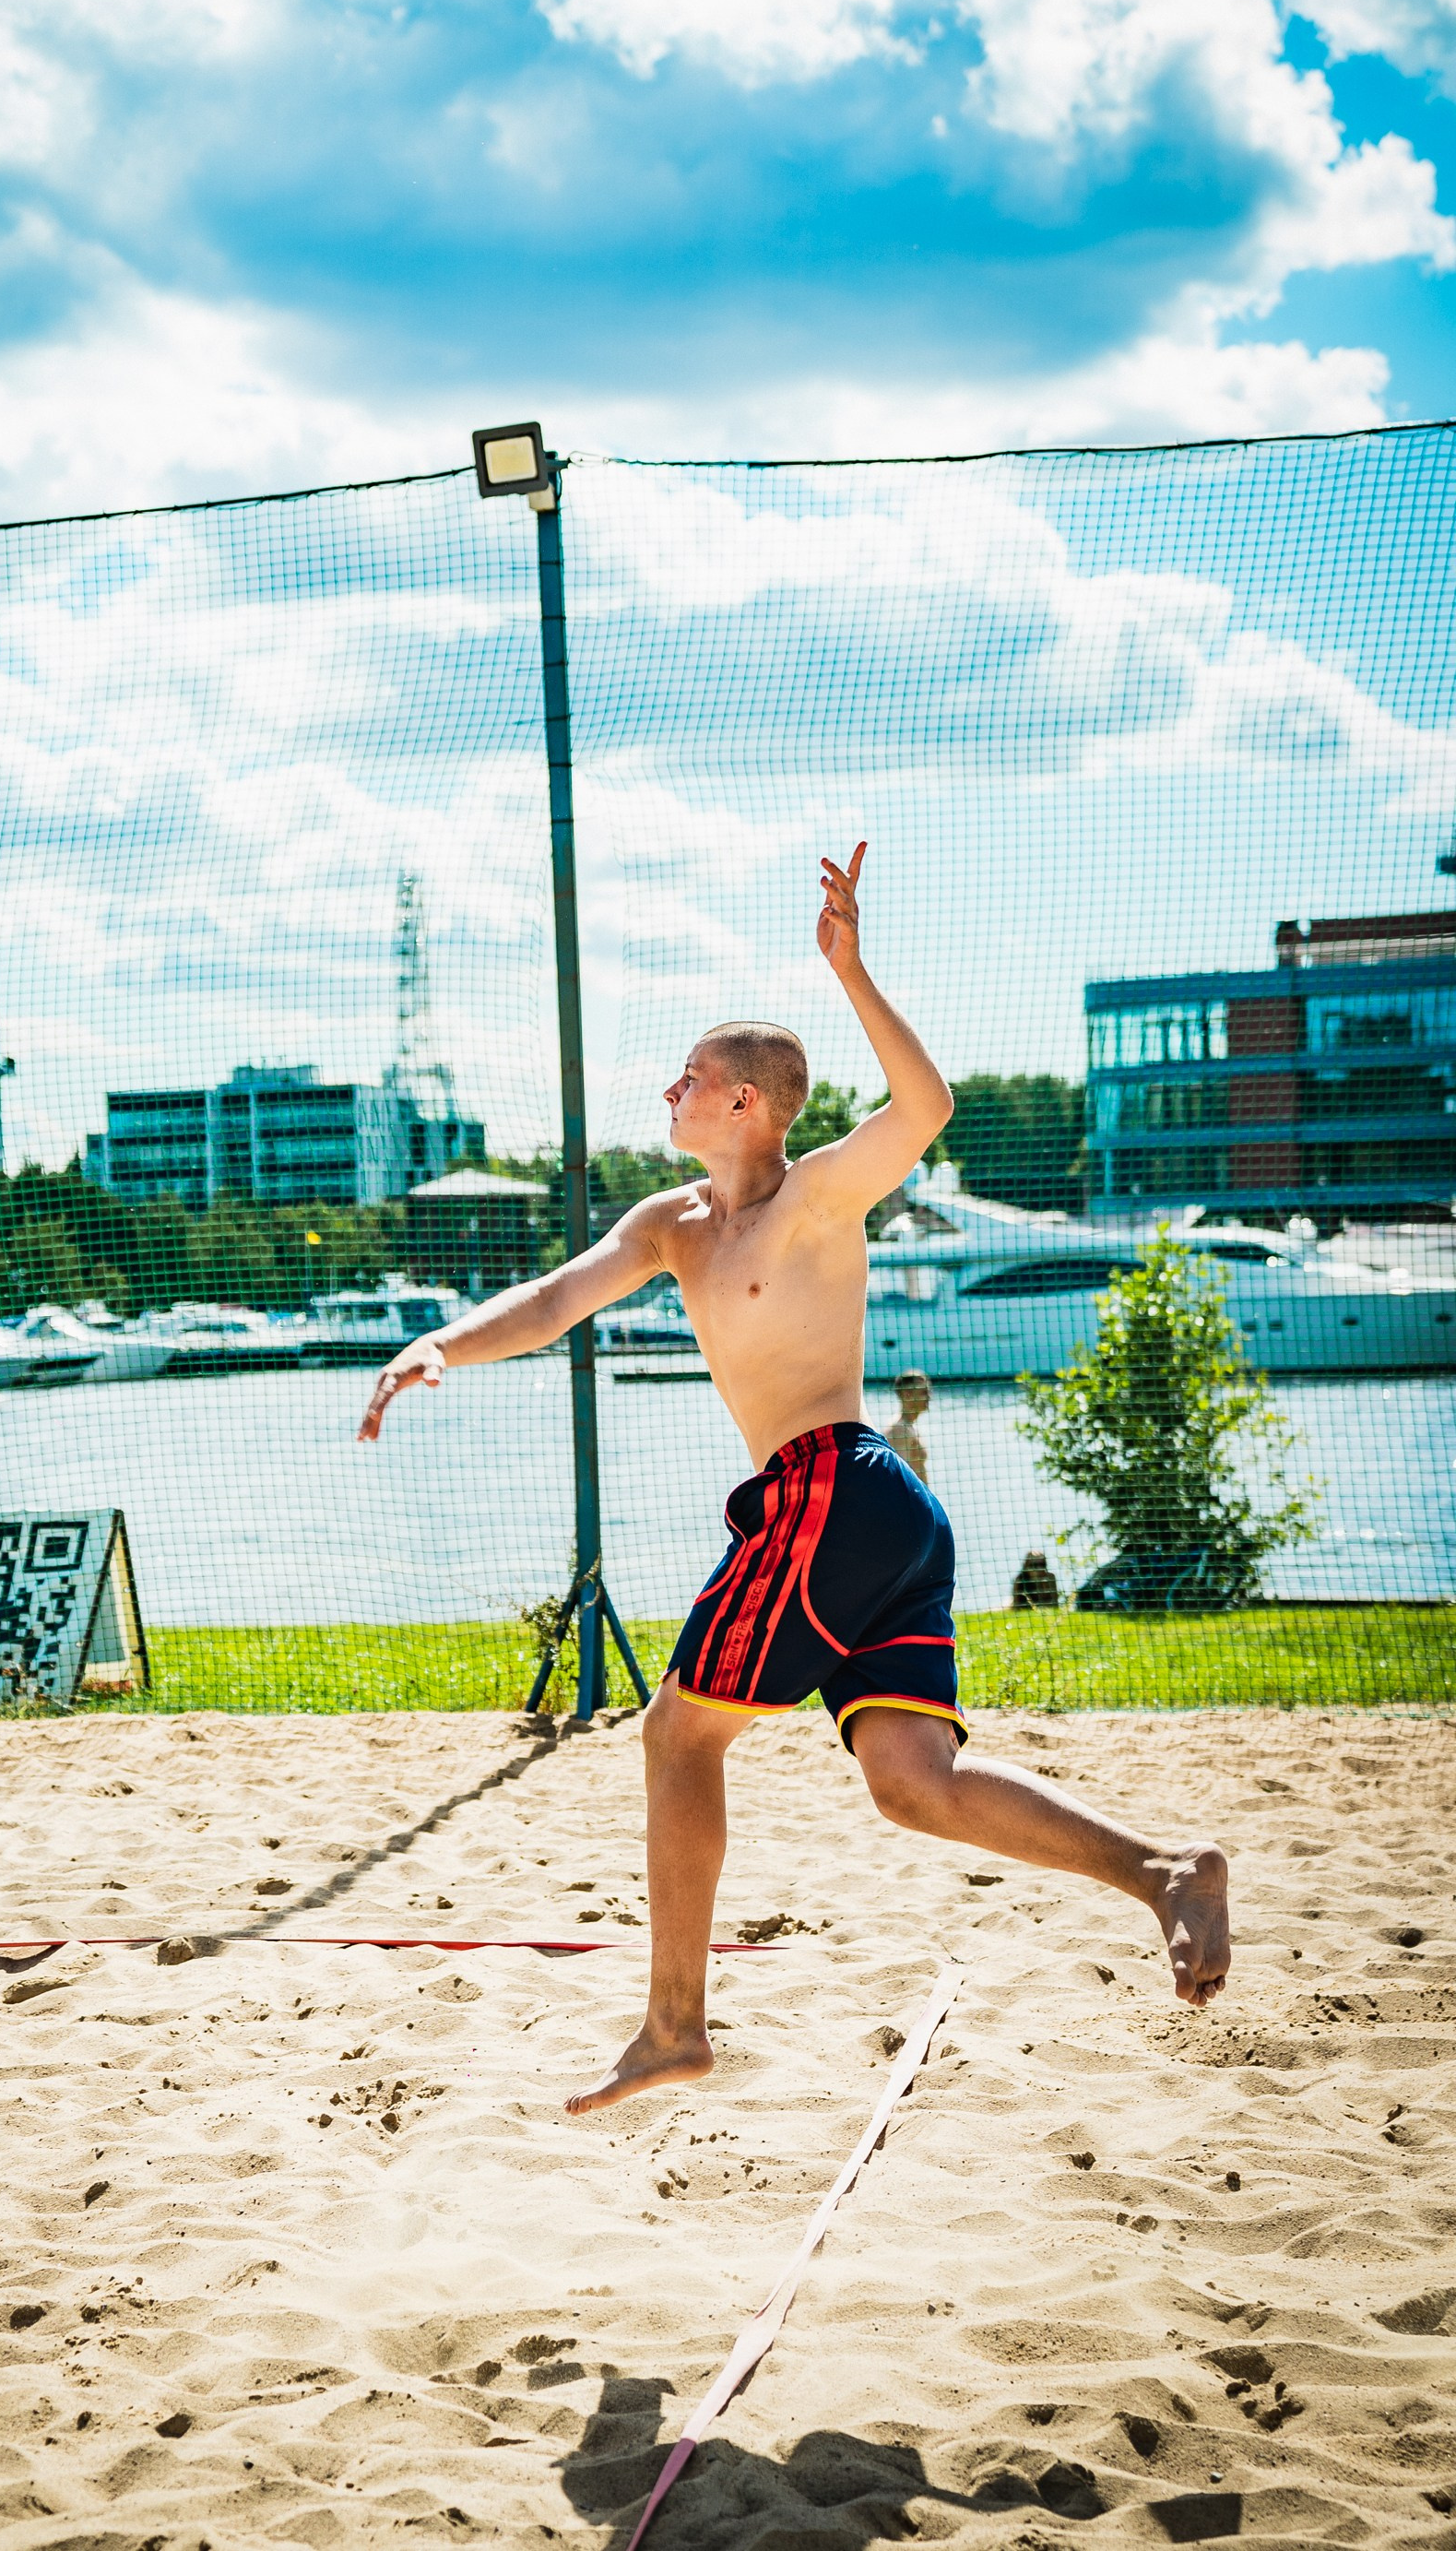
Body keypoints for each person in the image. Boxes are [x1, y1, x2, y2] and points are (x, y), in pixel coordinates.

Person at [359, 845, 1230, 2113]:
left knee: (676, 1733)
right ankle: (1164, 1873)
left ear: (754, 1105)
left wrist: (851, 969)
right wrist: (438, 1342)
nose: (670, 1087)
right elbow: (555, 1303)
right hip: (871, 1512)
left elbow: (924, 1109)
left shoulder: (818, 1200)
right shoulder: (669, 1226)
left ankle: (671, 2025)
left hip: (834, 1488)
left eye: (694, 1077)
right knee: (912, 1788)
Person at [882, 1369, 931, 1482]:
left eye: (929, 1391)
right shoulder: (898, 1430)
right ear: (907, 1394)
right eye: (924, 1392)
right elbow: (895, 1476)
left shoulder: (909, 1426)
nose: (929, 1397)